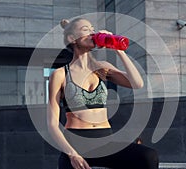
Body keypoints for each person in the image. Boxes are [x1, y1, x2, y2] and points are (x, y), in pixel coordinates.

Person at [47, 17, 159, 169]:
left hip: (105, 142)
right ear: (72, 39)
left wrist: (118, 50)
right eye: (86, 30)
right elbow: (52, 124)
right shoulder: (60, 74)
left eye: (93, 29)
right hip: (77, 144)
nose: (92, 33)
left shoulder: (102, 68)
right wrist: (72, 154)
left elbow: (137, 83)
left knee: (148, 156)